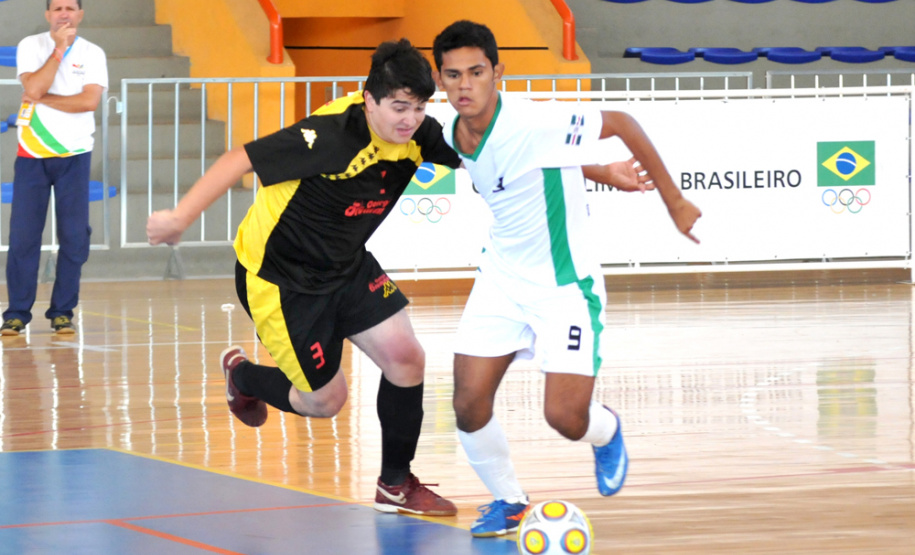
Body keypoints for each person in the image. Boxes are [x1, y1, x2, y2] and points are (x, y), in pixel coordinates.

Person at [146, 39, 461, 516]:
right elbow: (239, 158)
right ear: (369, 99)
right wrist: (179, 218)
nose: (410, 120)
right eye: (399, 107)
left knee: (406, 358)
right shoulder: (332, 135)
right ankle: (243, 376)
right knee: (326, 401)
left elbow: (480, 152)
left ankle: (395, 485)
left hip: (346, 264)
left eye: (419, 108)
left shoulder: (419, 134)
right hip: (282, 279)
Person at [431, 20, 702, 537]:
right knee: (467, 403)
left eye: (476, 72)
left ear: (498, 73)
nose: (465, 85)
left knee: (565, 418)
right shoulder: (452, 133)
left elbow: (621, 122)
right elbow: (525, 169)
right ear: (439, 80)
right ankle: (509, 501)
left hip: (564, 286)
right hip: (501, 278)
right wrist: (601, 172)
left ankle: (607, 431)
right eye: (453, 75)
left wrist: (674, 202)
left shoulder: (532, 121)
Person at [1, 0, 107, 336]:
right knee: (24, 236)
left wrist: (43, 99)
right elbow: (32, 87)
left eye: (70, 8)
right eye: (57, 8)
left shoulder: (93, 53)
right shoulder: (31, 46)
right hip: (32, 155)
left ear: (80, 14)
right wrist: (59, 50)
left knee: (74, 237)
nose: (64, 13)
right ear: (47, 14)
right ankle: (17, 313)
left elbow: (88, 102)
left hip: (75, 154)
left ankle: (62, 311)